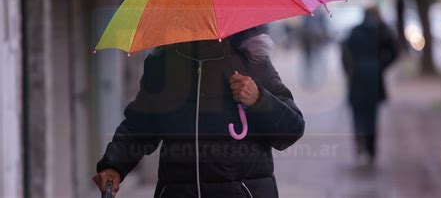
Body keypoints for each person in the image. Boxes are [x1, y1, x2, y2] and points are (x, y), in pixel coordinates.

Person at [92, 27, 305, 198]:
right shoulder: (162, 64)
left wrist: (259, 98)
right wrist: (114, 165)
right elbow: (141, 125)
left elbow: (291, 129)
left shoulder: (252, 59)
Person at [341, 7, 398, 166]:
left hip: (356, 77)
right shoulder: (382, 31)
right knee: (372, 115)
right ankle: (371, 148)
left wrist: (348, 71)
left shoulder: (354, 32)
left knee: (358, 112)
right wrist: (382, 66)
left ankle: (360, 137)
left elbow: (345, 53)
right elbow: (394, 51)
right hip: (374, 77)